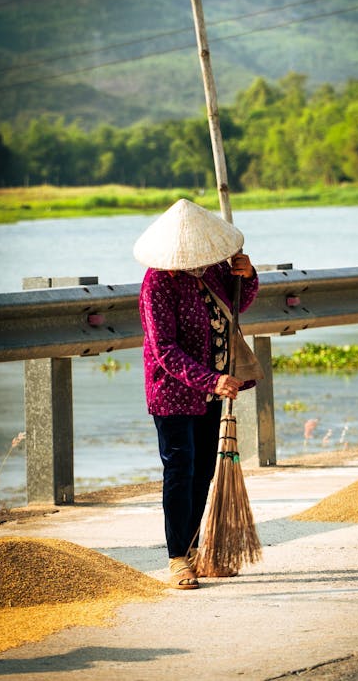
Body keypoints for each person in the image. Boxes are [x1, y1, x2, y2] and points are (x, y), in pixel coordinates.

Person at [133, 198, 259, 590]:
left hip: (211, 387)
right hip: (173, 392)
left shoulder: (217, 271)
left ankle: (194, 549)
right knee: (180, 469)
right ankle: (177, 559)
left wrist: (247, 275)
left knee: (203, 470)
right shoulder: (159, 282)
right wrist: (211, 380)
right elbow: (163, 349)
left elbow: (237, 307)